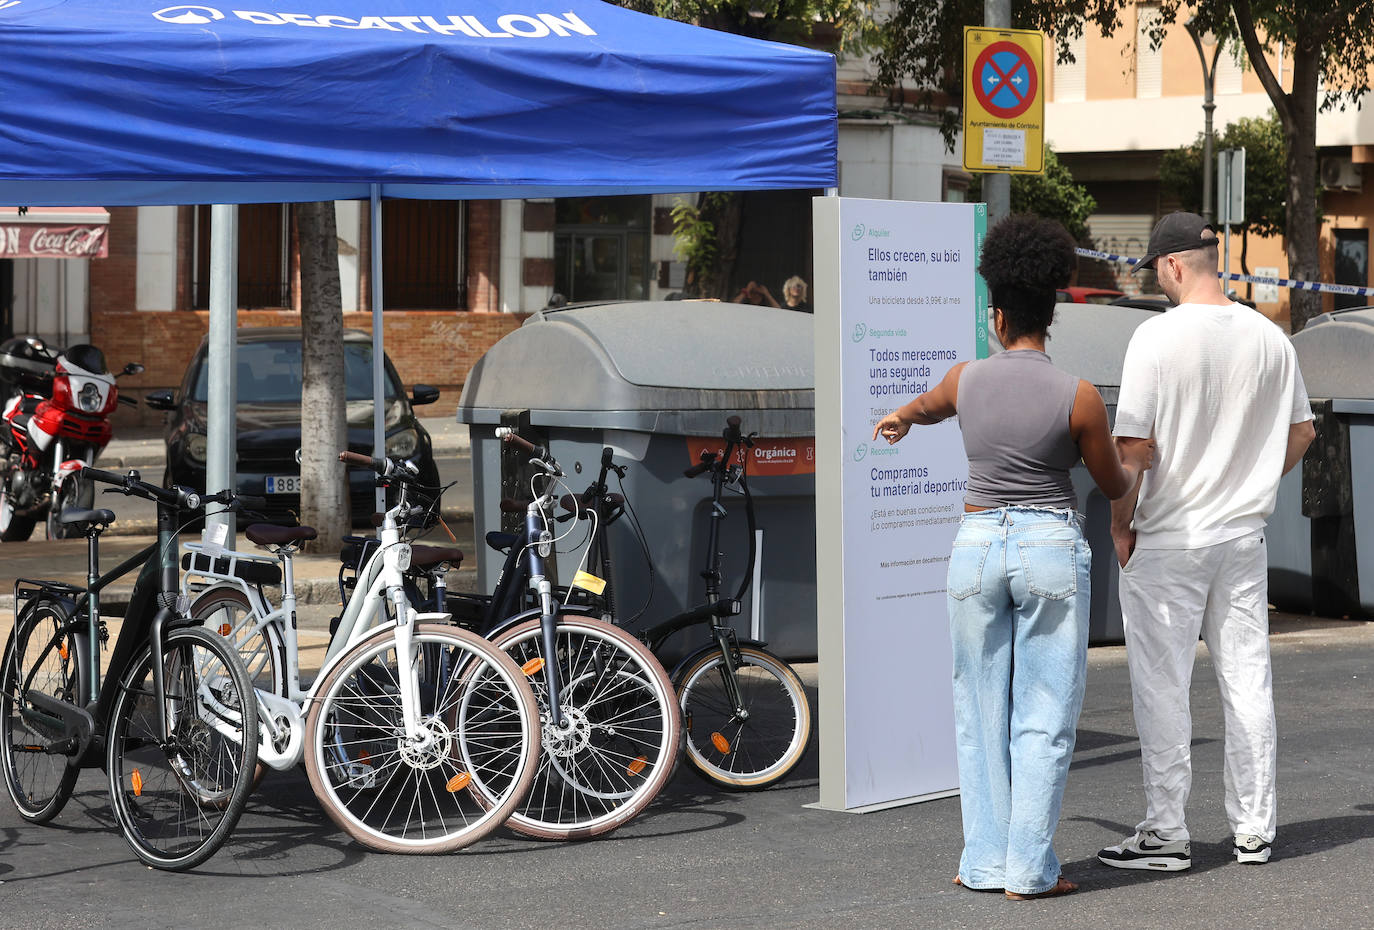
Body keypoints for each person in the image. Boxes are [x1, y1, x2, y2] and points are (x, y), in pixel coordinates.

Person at [872, 214, 1154, 900]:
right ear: (1047, 316)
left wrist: (900, 419)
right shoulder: (1079, 396)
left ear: (996, 317)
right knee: (1044, 714)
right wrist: (1133, 464)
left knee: (977, 711)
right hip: (1048, 546)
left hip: (973, 548)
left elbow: (930, 406)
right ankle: (1029, 870)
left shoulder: (966, 380)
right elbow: (1111, 483)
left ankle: (984, 862)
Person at [1097, 212, 1316, 873]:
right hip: (1242, 536)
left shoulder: (1156, 339)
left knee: (1163, 686)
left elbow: (1133, 448)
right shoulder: (1271, 337)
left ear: (1170, 265)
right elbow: (1303, 432)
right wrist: (1250, 480)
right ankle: (1254, 830)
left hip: (1169, 539)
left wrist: (1120, 522)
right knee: (1248, 683)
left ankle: (1166, 834)